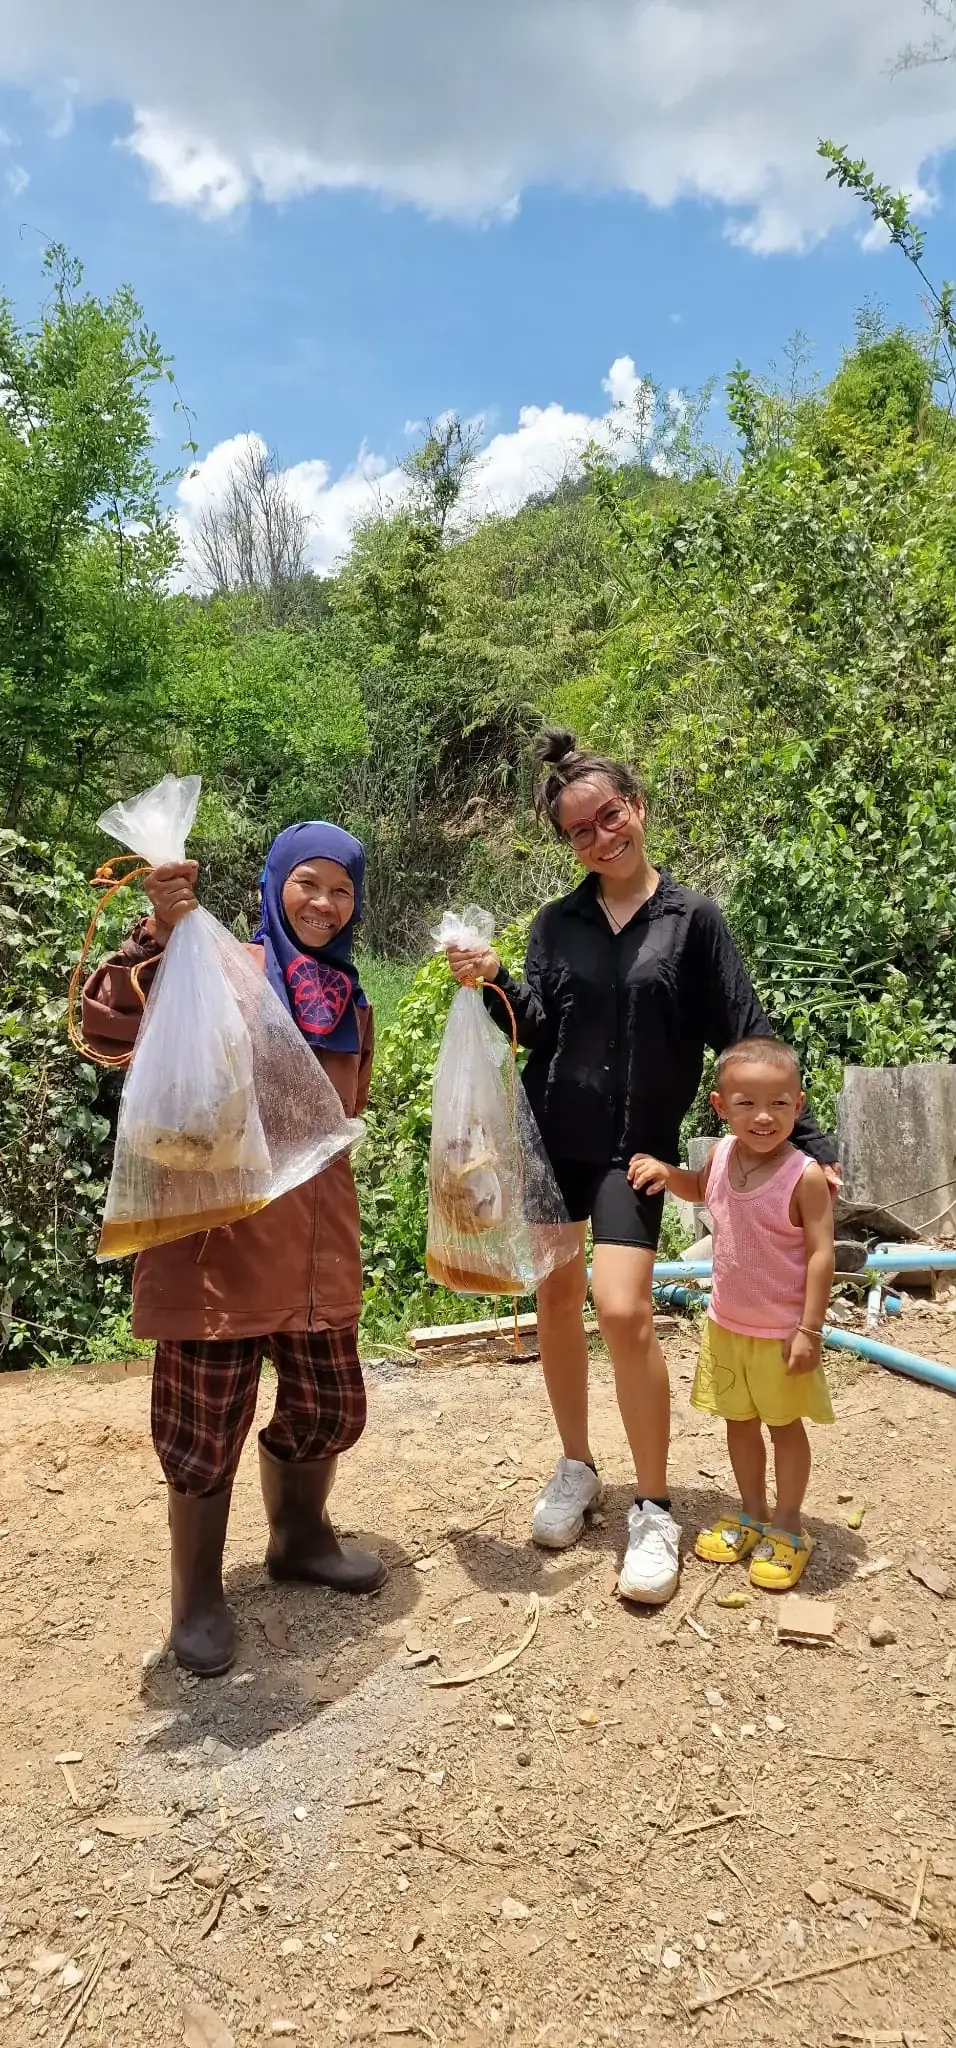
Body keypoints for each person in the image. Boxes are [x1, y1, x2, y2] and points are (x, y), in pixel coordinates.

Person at [445, 730, 840, 1608]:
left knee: (620, 1308)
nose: (599, 839)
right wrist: (494, 977)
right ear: (570, 845)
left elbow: (744, 1029)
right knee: (554, 1298)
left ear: (638, 809)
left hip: (636, 1152)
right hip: (555, 1138)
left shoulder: (692, 921)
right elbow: (534, 1026)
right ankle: (578, 1467)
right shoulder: (557, 922)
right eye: (579, 832)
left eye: (608, 817)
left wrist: (810, 1146)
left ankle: (653, 1506)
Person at [81, 823, 386, 1679]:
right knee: (204, 1422)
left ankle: (300, 1540)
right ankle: (199, 1594)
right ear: (273, 884)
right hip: (218, 1246)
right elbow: (108, 1029)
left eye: (341, 890)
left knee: (329, 1402)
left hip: (319, 1244)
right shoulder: (218, 970)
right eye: (307, 884)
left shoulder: (348, 999)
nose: (324, 904)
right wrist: (158, 936)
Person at [628, 1037, 835, 1591]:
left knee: (784, 1427)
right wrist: (666, 1172)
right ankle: (751, 1512)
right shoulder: (721, 1154)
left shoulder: (804, 1176)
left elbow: (822, 1255)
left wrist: (809, 1329)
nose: (763, 1117)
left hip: (781, 1333)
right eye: (747, 1104)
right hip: (726, 1324)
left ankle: (790, 1524)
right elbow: (699, 1189)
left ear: (799, 1103)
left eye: (779, 1104)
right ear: (721, 1106)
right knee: (739, 1424)